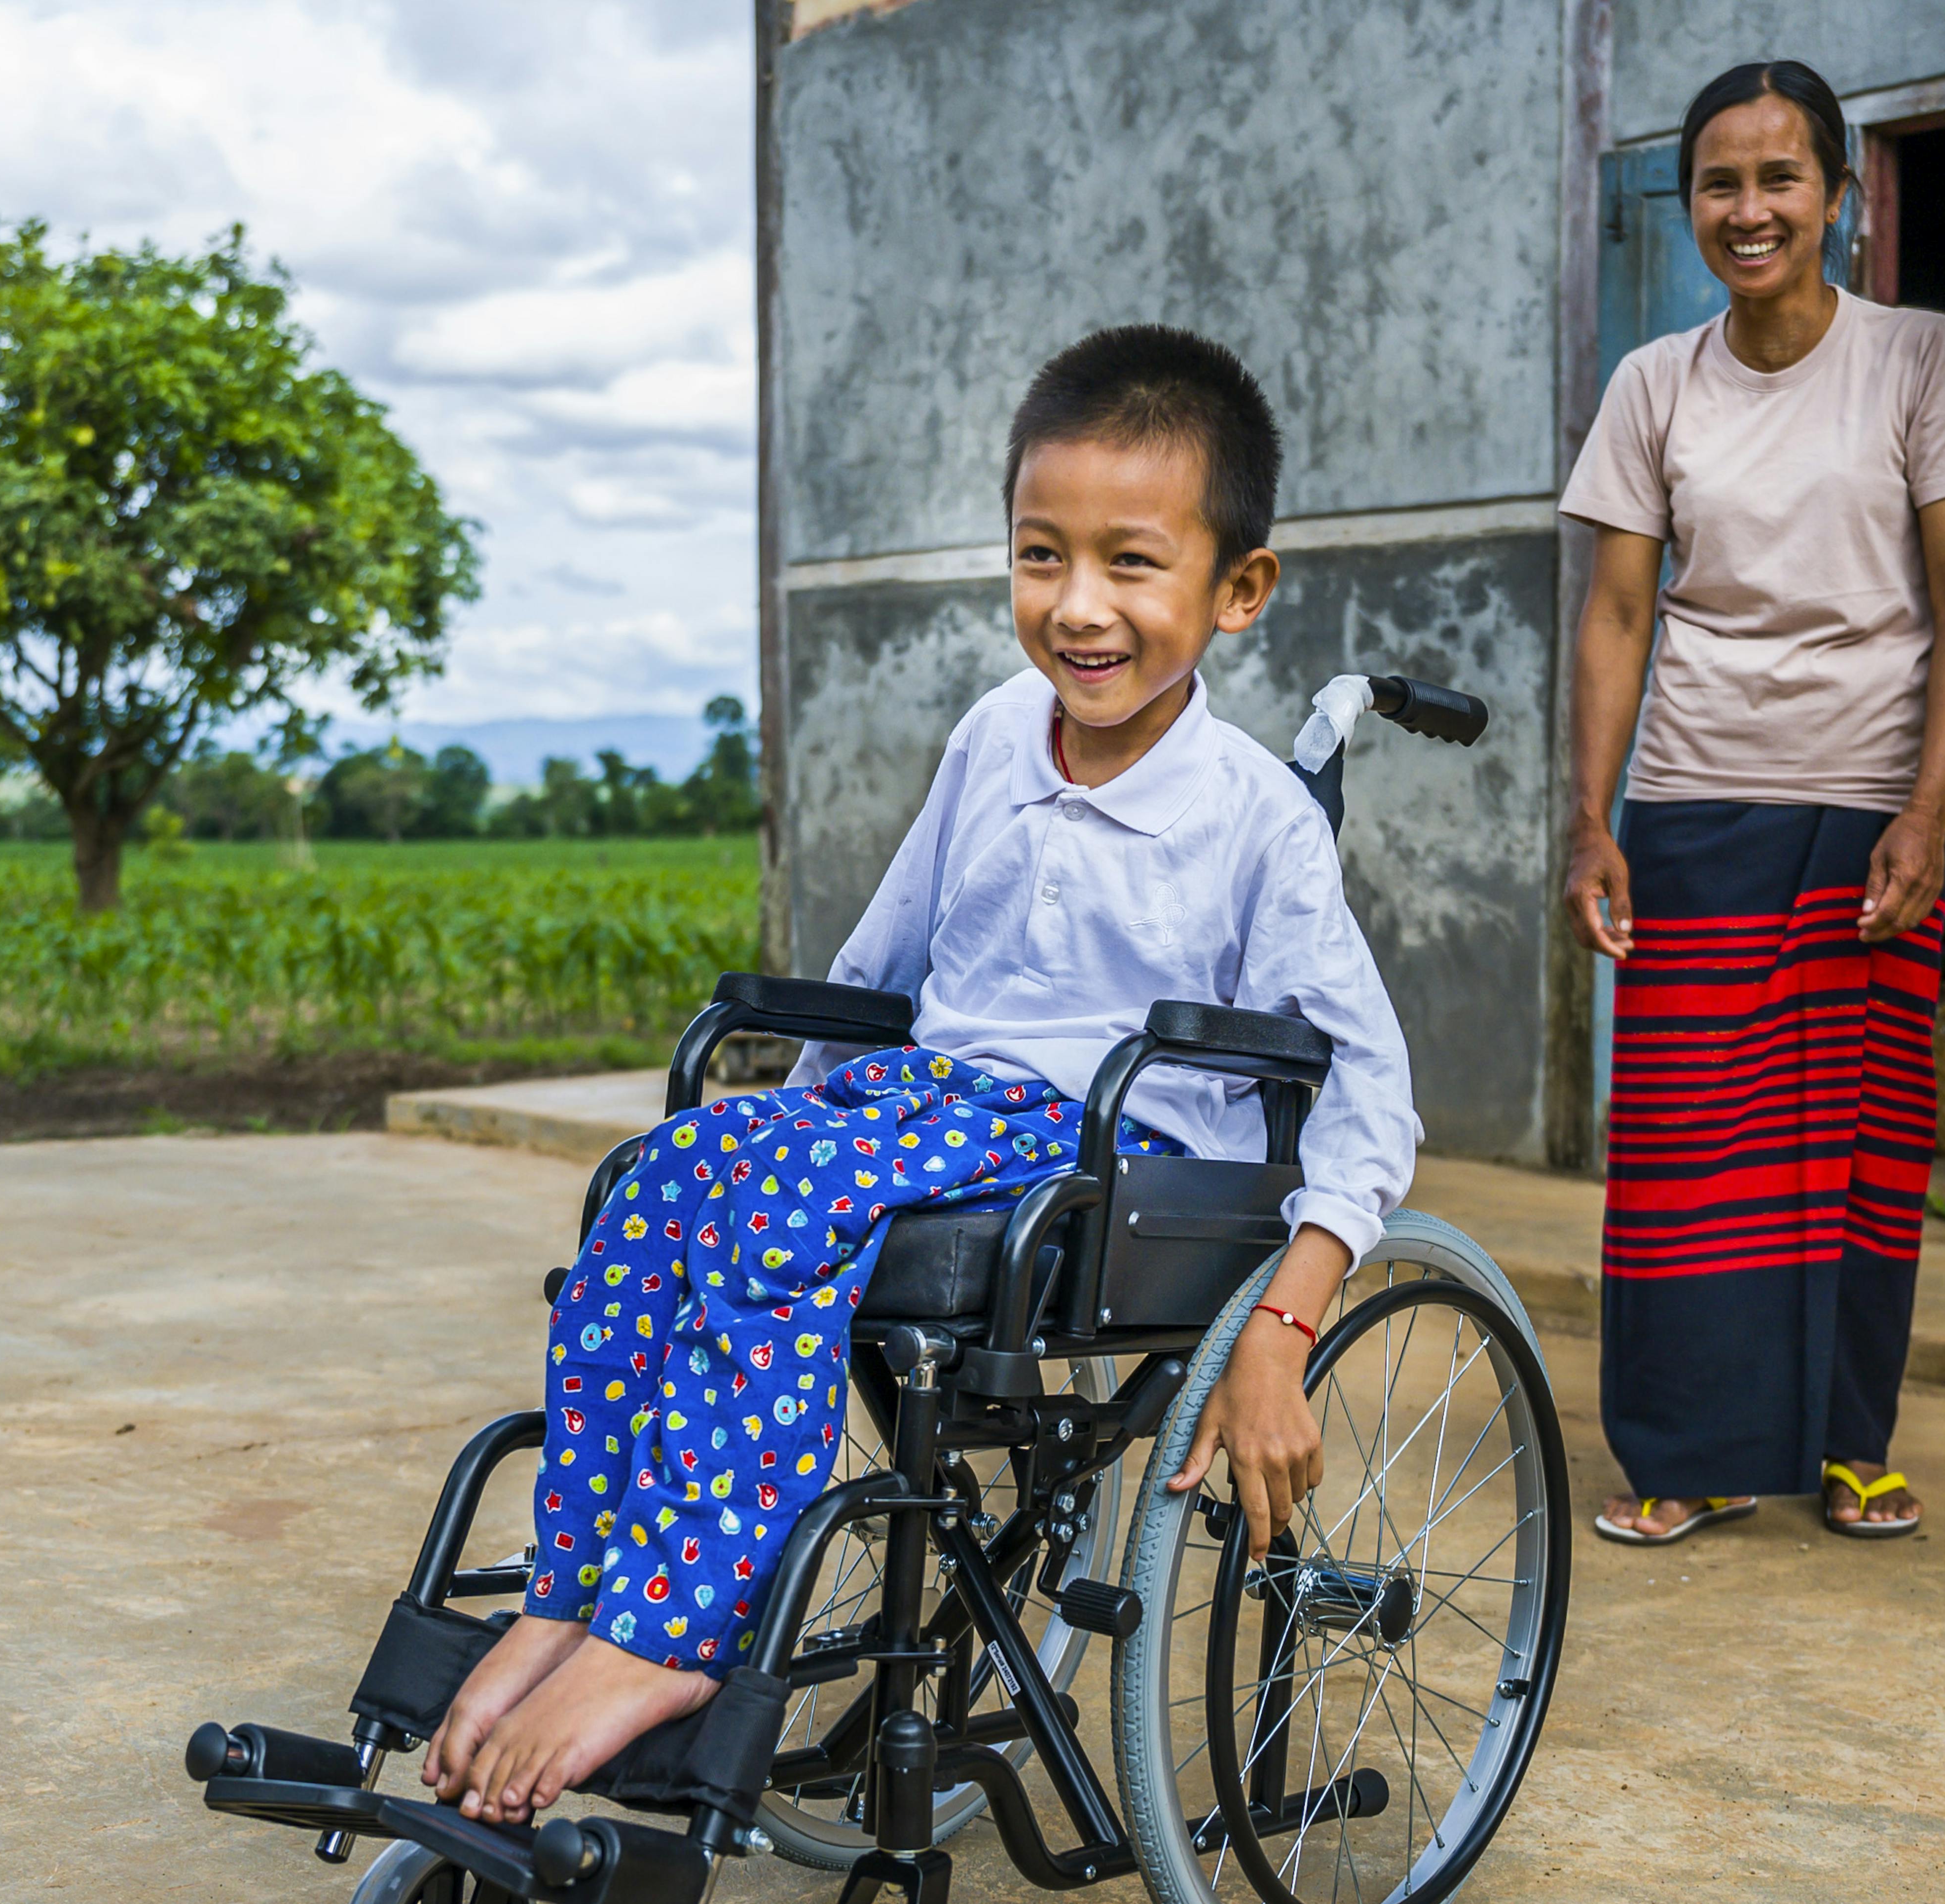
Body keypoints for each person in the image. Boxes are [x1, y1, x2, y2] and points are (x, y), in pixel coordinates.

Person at [426, 323, 1418, 1825]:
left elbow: (1370, 1084)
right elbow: (875, 971)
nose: (1077, 608)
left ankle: (672, 1635)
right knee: (655, 1179)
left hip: (1115, 1157)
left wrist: (1290, 1312)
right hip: (932, 1111)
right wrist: (767, 1119)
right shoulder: (990, 742)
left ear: (1239, 590)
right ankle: (578, 1593)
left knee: (769, 1198)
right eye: (1040, 556)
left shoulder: (1258, 818)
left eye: (1131, 565)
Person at [1557, 59, 1945, 1547]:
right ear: (1690, 202)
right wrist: (1592, 816)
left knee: (1855, 1150)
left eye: (1779, 178)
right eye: (1720, 183)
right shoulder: (1654, 385)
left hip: (1871, 810)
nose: (1749, 209)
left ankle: (1848, 1444)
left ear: (1836, 195)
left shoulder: (1922, 361)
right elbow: (1619, 615)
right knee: (1694, 1151)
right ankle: (1687, 1453)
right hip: (1696, 801)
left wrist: (1931, 809)